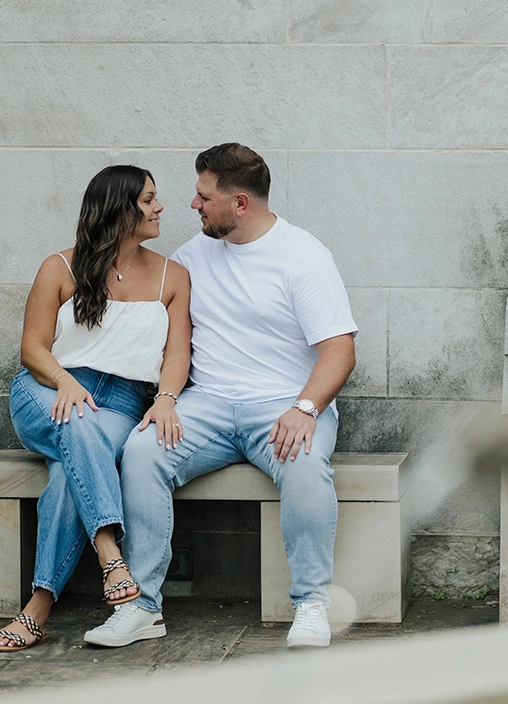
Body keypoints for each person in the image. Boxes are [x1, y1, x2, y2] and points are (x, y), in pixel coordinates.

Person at [83, 143, 356, 649]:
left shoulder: (304, 257)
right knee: (142, 453)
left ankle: (312, 604)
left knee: (305, 464)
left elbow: (339, 350)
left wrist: (305, 408)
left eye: (204, 196)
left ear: (241, 204)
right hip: (205, 406)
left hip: (283, 405)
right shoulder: (191, 257)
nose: (192, 205)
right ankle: (142, 607)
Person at [0, 165, 192, 652]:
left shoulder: (172, 275)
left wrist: (165, 399)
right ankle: (109, 553)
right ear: (117, 208)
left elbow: (177, 352)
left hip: (122, 401)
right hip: (47, 390)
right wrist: (64, 382)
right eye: (147, 200)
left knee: (67, 475)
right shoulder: (60, 267)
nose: (159, 207)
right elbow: (33, 349)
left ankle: (36, 611)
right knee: (79, 421)